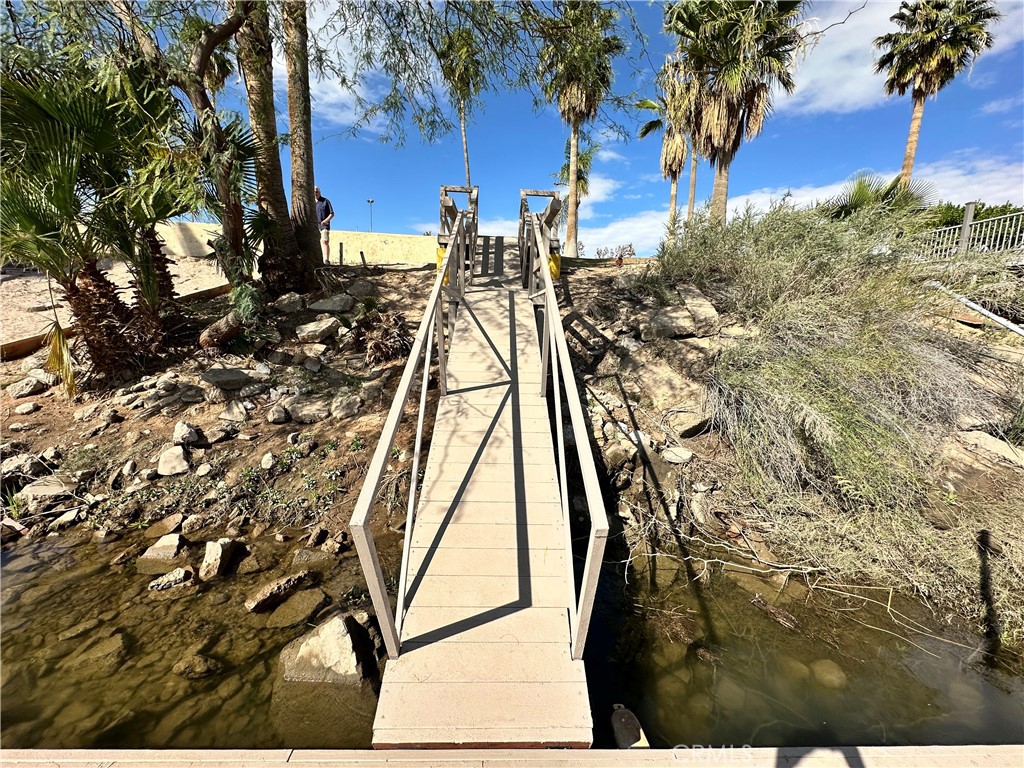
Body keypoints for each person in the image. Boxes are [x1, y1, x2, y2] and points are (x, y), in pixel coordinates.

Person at [315, 186, 334, 263]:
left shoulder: (325, 201)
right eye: (314, 192)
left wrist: (326, 221)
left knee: (325, 241)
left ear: (319, 192)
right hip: (314, 226)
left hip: (324, 226)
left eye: (317, 191)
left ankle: (326, 260)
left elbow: (332, 213)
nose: (315, 193)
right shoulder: (310, 202)